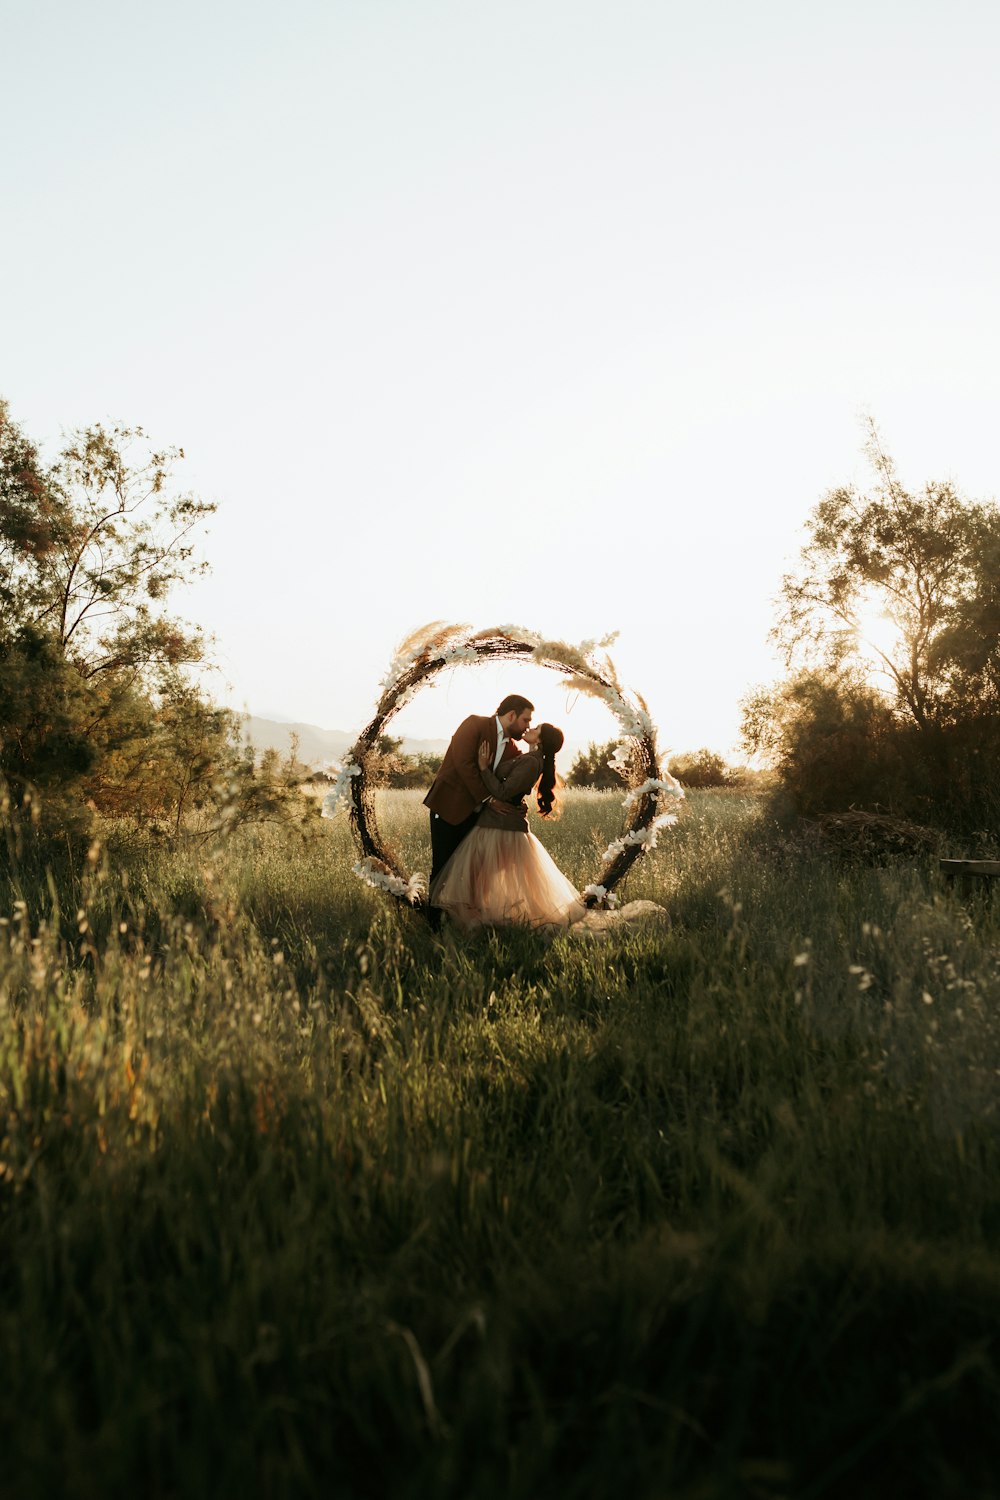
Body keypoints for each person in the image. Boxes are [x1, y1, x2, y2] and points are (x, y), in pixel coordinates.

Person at [429, 722, 587, 930]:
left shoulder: (532, 762)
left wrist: (484, 768)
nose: (529, 728)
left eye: (536, 728)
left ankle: (467, 920)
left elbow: (503, 792)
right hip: (495, 822)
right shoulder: (527, 757)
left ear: (540, 740)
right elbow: (514, 788)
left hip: (501, 826)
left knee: (480, 876)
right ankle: (469, 918)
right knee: (480, 877)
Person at [424, 695, 535, 924]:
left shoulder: (513, 750)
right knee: (443, 865)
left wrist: (518, 805)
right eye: (525, 720)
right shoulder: (474, 725)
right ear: (511, 715)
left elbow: (512, 784)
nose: (527, 726)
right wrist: (488, 799)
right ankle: (433, 922)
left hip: (479, 819)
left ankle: (462, 919)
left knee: (470, 872)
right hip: (449, 807)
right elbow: (463, 763)